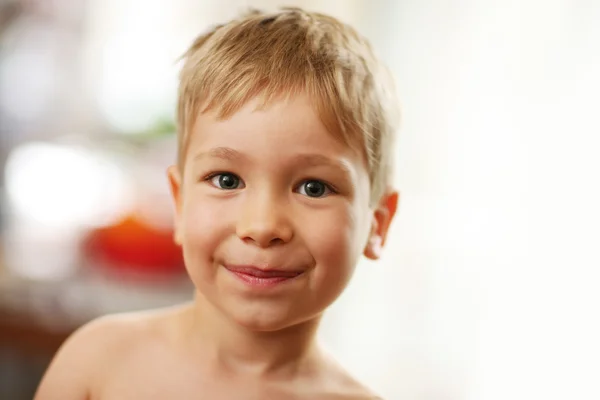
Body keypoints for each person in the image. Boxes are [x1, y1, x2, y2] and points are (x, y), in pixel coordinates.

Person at [35, 7, 400, 399]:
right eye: (227, 180)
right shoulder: (98, 361)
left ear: (377, 224)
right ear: (179, 202)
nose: (262, 227)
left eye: (313, 188)